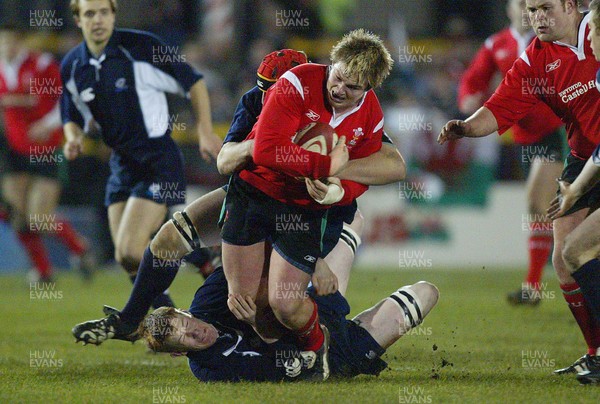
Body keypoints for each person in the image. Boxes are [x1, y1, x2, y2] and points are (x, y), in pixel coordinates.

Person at [71, 48, 405, 347]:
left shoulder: (347, 109)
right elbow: (225, 161)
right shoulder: (256, 101)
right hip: (257, 192)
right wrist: (258, 148)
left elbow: (391, 163)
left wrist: (333, 176)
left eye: (271, 90)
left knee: (277, 301)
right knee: (168, 243)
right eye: (262, 88)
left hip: (316, 210)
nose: (266, 97)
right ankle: (131, 319)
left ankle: (318, 339)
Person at [220, 29, 395, 380]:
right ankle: (281, 357)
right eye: (338, 77)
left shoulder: (371, 114)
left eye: (353, 87)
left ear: (369, 89)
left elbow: (372, 168)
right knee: (246, 304)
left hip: (300, 209)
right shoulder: (296, 82)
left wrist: (338, 191)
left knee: (285, 304)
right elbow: (267, 150)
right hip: (254, 192)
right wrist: (325, 167)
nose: (339, 89)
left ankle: (317, 347)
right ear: (331, 64)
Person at [438, 0, 600, 375]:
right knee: (564, 257)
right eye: (531, 9)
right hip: (583, 158)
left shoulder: (597, 30)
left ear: (572, 5)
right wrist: (466, 127)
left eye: (545, 8)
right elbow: (499, 106)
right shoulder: (534, 60)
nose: (536, 17)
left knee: (579, 249)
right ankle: (595, 352)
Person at [60, 0, 221, 306]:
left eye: (104, 12)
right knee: (126, 257)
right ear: (78, 20)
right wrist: (72, 138)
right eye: (89, 13)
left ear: (113, 14)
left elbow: (194, 82)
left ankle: (198, 258)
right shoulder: (73, 65)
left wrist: (204, 130)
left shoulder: (142, 47)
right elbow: (71, 113)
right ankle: (171, 308)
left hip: (156, 159)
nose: (98, 19)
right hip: (120, 164)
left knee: (134, 250)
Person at [138, 265, 439, 382]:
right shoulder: (210, 369)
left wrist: (315, 264)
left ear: (184, 311)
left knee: (352, 221)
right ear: (179, 353)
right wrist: (258, 324)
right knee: (426, 293)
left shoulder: (210, 297)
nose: (196, 332)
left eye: (186, 322)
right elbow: (292, 368)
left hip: (314, 308)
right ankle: (358, 327)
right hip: (334, 359)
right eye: (185, 339)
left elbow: (261, 256)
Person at [458, 0, 565, 305]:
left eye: (531, 6)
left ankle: (534, 286)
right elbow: (472, 80)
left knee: (538, 202)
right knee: (547, 210)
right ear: (509, 9)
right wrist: (467, 99)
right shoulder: (497, 44)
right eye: (521, 4)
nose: (526, 11)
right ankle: (536, 285)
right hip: (524, 137)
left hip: (557, 131)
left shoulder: (549, 38)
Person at [0, 23, 93, 282]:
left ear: (21, 42)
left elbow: (67, 100)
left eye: (11, 42)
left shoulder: (41, 65)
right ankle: (43, 271)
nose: (7, 48)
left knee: (39, 219)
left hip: (46, 149)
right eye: (2, 43)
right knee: (17, 217)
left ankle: (79, 247)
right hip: (13, 152)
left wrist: (47, 124)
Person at [547, 0, 600, 384]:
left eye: (593, 29)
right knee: (571, 251)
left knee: (577, 249)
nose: (590, 38)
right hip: (583, 161)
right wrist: (576, 190)